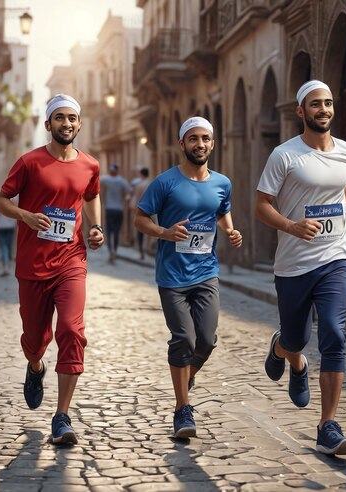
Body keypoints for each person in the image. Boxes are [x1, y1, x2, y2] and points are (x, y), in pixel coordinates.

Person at [255, 80, 346, 455]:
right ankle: (284, 350)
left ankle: (328, 426)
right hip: (293, 265)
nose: (323, 109)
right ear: (300, 111)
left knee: (335, 334)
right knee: (296, 338)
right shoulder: (284, 155)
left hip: (335, 259)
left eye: (327, 103)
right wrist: (291, 225)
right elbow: (262, 204)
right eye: (314, 104)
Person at [0, 94, 104, 445]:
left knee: (72, 331)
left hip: (71, 260)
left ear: (79, 123)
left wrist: (96, 227)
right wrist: (25, 215)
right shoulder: (29, 163)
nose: (67, 124)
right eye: (60, 118)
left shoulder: (90, 165)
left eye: (72, 118)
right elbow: (0, 201)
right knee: (34, 339)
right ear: (48, 124)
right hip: (32, 264)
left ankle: (62, 416)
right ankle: (35, 366)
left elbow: (90, 195)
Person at [134, 117, 242, 439]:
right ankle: (183, 409)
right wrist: (164, 232)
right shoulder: (165, 182)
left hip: (206, 272)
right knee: (184, 339)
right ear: (182, 144)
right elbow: (140, 219)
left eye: (205, 138)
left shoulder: (222, 182)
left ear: (213, 143)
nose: (200, 144)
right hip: (172, 276)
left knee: (206, 341)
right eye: (193, 138)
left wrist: (230, 229)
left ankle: (186, 375)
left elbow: (221, 209)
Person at [100, 164, 130, 262]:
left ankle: (111, 251)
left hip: (109, 209)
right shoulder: (122, 181)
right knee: (116, 232)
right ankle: (115, 251)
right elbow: (128, 193)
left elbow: (97, 180)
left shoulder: (105, 179)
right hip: (119, 209)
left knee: (109, 232)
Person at [130, 168, 151, 260]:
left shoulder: (140, 185)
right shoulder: (152, 184)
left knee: (140, 231)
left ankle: (141, 251)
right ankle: (147, 248)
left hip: (142, 210)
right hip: (152, 211)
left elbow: (137, 200)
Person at [0, 199, 17, 277]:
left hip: (1, 225)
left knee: (3, 246)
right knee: (8, 246)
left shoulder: (0, 201)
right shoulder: (14, 202)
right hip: (10, 226)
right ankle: (7, 266)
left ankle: (5, 266)